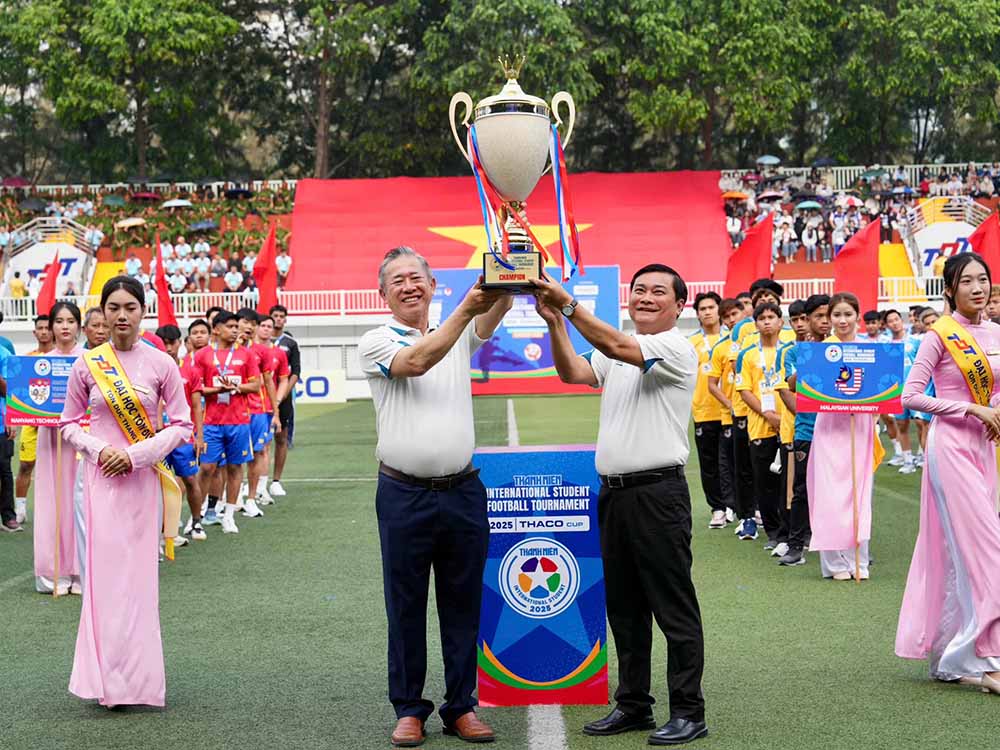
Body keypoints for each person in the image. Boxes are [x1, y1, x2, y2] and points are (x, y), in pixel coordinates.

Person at [534, 263, 706, 746]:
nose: (646, 297)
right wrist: (554, 323)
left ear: (679, 305)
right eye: (639, 290)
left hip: (657, 494)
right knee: (624, 607)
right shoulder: (623, 346)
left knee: (673, 608)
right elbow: (574, 372)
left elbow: (613, 347)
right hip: (614, 493)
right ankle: (634, 705)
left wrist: (567, 304)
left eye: (657, 292)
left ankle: (690, 711)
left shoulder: (672, 346)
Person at [359, 246, 511, 747]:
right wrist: (466, 310)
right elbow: (418, 362)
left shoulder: (459, 328)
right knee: (404, 605)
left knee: (463, 604)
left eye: (415, 277)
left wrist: (511, 256)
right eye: (397, 280)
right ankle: (409, 708)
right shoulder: (376, 340)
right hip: (403, 493)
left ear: (433, 283)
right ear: (383, 294)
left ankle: (461, 706)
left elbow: (500, 305)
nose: (408, 286)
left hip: (464, 490)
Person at [60, 275, 193, 708]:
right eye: (113, 307)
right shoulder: (87, 363)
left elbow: (181, 424)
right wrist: (100, 450)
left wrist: (135, 456)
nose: (121, 316)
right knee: (103, 581)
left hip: (140, 484)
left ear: (142, 311)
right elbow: (67, 423)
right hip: (100, 483)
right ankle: (105, 682)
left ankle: (138, 683)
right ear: (101, 312)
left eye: (130, 307)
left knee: (138, 582)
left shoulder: (161, 364)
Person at [895, 251, 1000, 694]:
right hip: (951, 446)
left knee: (969, 551)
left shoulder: (996, 332)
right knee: (984, 549)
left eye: (984, 280)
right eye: (967, 281)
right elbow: (911, 396)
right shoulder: (940, 335)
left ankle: (958, 654)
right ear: (950, 290)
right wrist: (970, 407)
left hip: (986, 448)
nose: (978, 288)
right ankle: (987, 658)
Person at [806, 292, 878, 581]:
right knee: (830, 491)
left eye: (848, 314)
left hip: (859, 425)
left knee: (859, 491)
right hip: (829, 427)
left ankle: (857, 558)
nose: (842, 320)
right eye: (837, 315)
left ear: (857, 316)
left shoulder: (872, 350)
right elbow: (806, 389)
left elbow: (885, 389)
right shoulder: (820, 351)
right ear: (829, 319)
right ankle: (834, 562)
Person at [33, 302, 85, 594]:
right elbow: (28, 404)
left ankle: (79, 570)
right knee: (51, 498)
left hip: (80, 439)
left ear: (79, 325)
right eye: (59, 321)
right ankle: (53, 571)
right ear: (50, 327)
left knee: (79, 499)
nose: (65, 326)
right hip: (50, 439)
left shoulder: (90, 360)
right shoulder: (39, 362)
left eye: (70, 321)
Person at [776, 294, 831, 567]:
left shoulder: (843, 347)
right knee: (802, 489)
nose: (825, 321)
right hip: (807, 429)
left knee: (838, 487)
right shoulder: (792, 352)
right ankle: (796, 545)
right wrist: (812, 359)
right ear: (806, 320)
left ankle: (841, 541)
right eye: (818, 316)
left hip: (838, 430)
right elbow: (792, 386)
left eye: (828, 315)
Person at [194, 311, 260, 535]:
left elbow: (256, 385)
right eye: (230, 326)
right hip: (211, 421)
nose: (235, 330)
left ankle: (229, 516)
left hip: (239, 421)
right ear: (217, 329)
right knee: (207, 468)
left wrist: (236, 388)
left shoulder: (246, 355)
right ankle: (197, 516)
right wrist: (217, 390)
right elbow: (196, 387)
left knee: (235, 467)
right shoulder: (202, 356)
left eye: (236, 326)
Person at [735, 302, 788, 546]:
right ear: (755, 324)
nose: (767, 321)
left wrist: (783, 418)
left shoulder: (790, 351)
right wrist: (768, 415)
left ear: (781, 322)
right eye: (762, 318)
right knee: (764, 483)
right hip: (760, 426)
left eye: (771, 317)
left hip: (788, 425)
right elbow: (744, 391)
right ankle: (774, 533)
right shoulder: (747, 354)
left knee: (788, 483)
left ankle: (792, 532)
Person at [157, 324, 207, 543]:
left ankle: (196, 522)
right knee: (157, 485)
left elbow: (196, 406)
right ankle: (163, 533)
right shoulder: (150, 370)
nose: (168, 347)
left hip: (183, 436)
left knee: (189, 479)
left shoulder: (190, 371)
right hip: (157, 437)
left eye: (172, 342)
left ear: (180, 343)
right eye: (163, 343)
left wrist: (200, 436)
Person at [706, 298, 746, 527]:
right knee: (731, 465)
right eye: (727, 317)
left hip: (759, 415)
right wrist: (730, 405)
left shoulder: (756, 344)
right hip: (731, 416)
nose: (732, 320)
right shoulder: (720, 348)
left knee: (753, 466)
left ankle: (757, 509)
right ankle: (736, 508)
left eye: (735, 314)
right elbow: (712, 384)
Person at [689, 292, 726, 528]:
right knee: (709, 464)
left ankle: (738, 506)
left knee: (734, 464)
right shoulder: (690, 343)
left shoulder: (733, 339)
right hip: (703, 411)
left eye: (711, 307)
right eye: (702, 309)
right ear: (698, 315)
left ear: (719, 309)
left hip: (732, 411)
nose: (707, 312)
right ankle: (718, 508)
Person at [14, 315, 55, 524]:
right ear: (35, 332)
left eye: (48, 328)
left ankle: (57, 509)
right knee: (25, 465)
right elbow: (19, 393)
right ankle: (20, 508)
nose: (45, 332)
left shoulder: (61, 360)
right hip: (32, 423)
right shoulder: (27, 359)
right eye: (40, 328)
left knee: (59, 468)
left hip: (58, 424)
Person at [251, 314, 290, 505]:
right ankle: (246, 487)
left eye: (270, 326)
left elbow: (283, 379)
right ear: (257, 327)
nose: (266, 329)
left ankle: (260, 488)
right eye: (263, 325)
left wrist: (277, 400)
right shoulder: (246, 350)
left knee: (264, 447)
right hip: (245, 406)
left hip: (266, 406)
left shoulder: (279, 353)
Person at [269, 304, 300, 497]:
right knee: (259, 442)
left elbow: (295, 371)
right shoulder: (259, 342)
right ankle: (254, 480)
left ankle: (276, 481)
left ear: (285, 320)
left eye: (282, 316)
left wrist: (283, 394)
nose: (278, 319)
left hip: (284, 399)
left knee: (281, 438)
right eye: (275, 316)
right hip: (262, 398)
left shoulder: (290, 343)